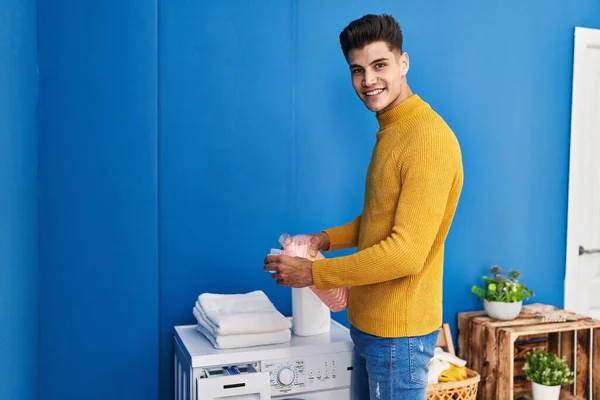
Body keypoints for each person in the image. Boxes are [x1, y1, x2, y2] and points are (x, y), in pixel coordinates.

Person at [264, 13, 464, 400]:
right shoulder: (393, 130)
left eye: (380, 65)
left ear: (403, 63)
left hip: (399, 337)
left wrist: (313, 274)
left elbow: (405, 253)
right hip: (374, 327)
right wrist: (323, 239)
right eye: (358, 70)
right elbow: (378, 220)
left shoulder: (426, 138)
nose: (368, 80)